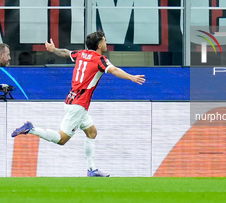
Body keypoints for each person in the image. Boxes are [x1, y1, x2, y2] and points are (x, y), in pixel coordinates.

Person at [11, 31, 146, 177]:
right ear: (99, 45)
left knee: (92, 132)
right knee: (61, 139)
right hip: (78, 106)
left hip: (72, 101)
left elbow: (65, 53)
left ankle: (92, 169)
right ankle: (31, 129)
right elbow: (114, 70)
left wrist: (53, 50)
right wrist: (131, 77)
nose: (106, 44)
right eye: (105, 41)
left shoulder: (81, 54)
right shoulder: (100, 60)